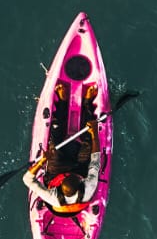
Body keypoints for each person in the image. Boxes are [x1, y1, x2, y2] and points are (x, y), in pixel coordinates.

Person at [23, 85, 101, 213]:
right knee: (89, 143)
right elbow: (95, 162)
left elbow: (27, 179)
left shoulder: (52, 197)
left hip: (57, 171)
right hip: (79, 168)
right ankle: (87, 103)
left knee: (55, 140)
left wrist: (42, 161)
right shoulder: (88, 187)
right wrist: (94, 133)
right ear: (81, 181)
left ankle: (62, 102)